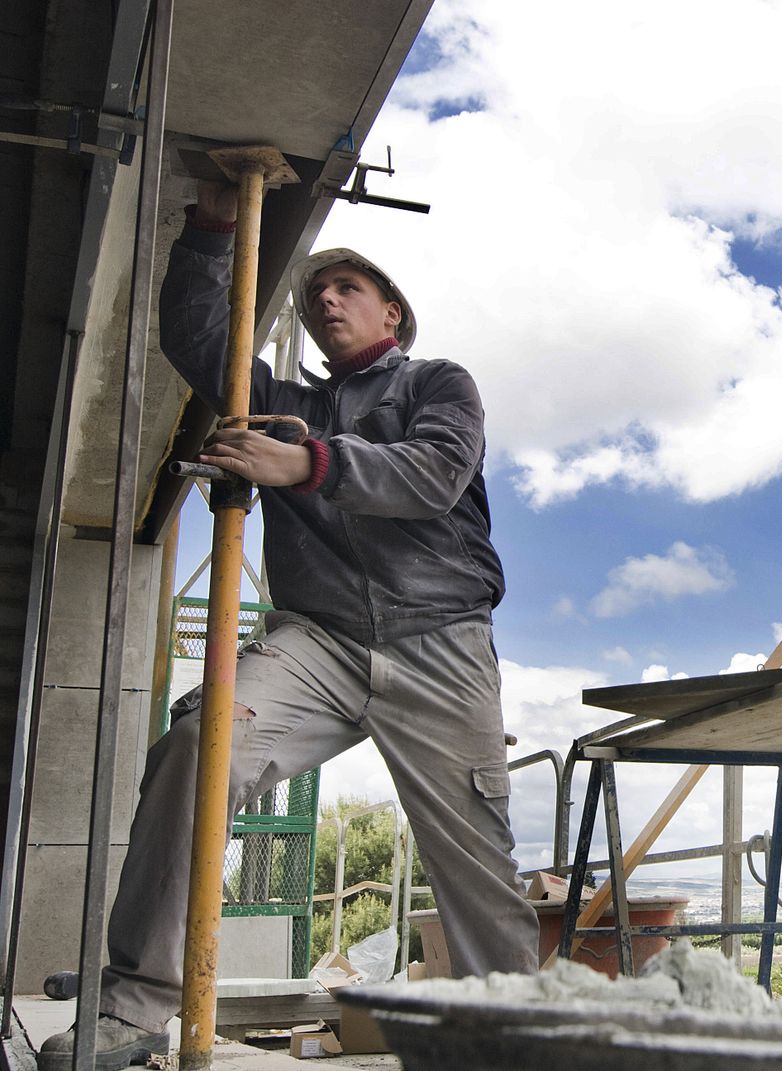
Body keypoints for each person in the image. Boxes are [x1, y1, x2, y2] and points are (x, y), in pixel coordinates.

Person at [41, 180, 541, 1070]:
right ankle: (132, 1006)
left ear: (393, 311)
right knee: (201, 743)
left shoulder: (439, 384)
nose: (325, 299)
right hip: (319, 639)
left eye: (347, 287)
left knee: (473, 854)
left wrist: (303, 461)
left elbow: (431, 476)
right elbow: (198, 338)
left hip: (440, 643)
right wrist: (210, 227)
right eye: (315, 295)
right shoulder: (282, 397)